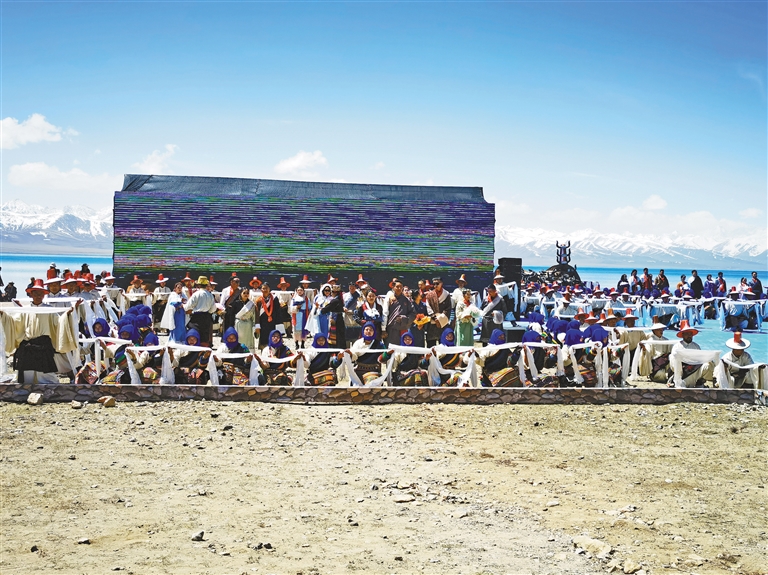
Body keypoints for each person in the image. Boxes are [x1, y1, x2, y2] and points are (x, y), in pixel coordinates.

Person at [0, 279, 80, 384]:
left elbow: (59, 322)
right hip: (28, 344)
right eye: (36, 294)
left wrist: (67, 315)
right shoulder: (25, 310)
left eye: (40, 294)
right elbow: (14, 322)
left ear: (43, 295)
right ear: (31, 294)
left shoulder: (49, 310)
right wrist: (4, 315)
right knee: (26, 373)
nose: (38, 296)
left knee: (46, 373)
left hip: (43, 344)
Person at [669, 320, 713, 388]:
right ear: (683, 334)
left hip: (695, 371)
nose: (689, 335)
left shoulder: (696, 346)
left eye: (690, 333)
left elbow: (701, 360)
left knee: (708, 364)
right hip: (683, 374)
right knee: (674, 358)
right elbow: (674, 364)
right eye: (687, 333)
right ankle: (677, 382)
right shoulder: (677, 347)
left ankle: (700, 381)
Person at [184, 276, 216, 347]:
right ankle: (203, 351)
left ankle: (194, 350)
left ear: (198, 285)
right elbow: (213, 309)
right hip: (206, 317)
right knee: (204, 336)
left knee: (194, 334)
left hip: (197, 317)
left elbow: (188, 306)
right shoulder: (210, 295)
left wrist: (183, 306)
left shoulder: (196, 294)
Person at [383, 279, 415, 344]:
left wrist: (404, 319)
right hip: (391, 329)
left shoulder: (406, 300)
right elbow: (385, 313)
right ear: (393, 287)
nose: (399, 288)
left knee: (402, 348)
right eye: (397, 287)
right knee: (390, 348)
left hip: (403, 328)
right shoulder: (389, 298)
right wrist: (383, 329)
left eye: (401, 287)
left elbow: (413, 313)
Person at [425, 277, 453, 347]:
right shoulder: (429, 295)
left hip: (443, 323)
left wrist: (440, 319)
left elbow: (448, 308)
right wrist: (435, 318)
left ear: (441, 283)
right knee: (431, 344)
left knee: (443, 343)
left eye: (437, 283)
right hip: (432, 323)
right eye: (434, 284)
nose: (435, 286)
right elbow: (428, 307)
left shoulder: (446, 294)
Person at [321, 284, 347, 349]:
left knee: (336, 336)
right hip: (339, 318)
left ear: (335, 293)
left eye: (332, 292)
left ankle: (335, 350)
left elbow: (326, 309)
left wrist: (322, 309)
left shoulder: (335, 301)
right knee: (340, 336)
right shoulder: (340, 300)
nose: (331, 293)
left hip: (336, 320)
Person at [255, 283, 279, 349]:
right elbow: (257, 313)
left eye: (266, 288)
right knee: (263, 339)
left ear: (269, 289)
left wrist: (278, 324)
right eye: (263, 288)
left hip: (272, 322)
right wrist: (257, 325)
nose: (265, 290)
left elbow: (278, 312)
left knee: (273, 338)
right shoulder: (259, 300)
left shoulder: (274, 299)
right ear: (261, 290)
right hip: (263, 323)